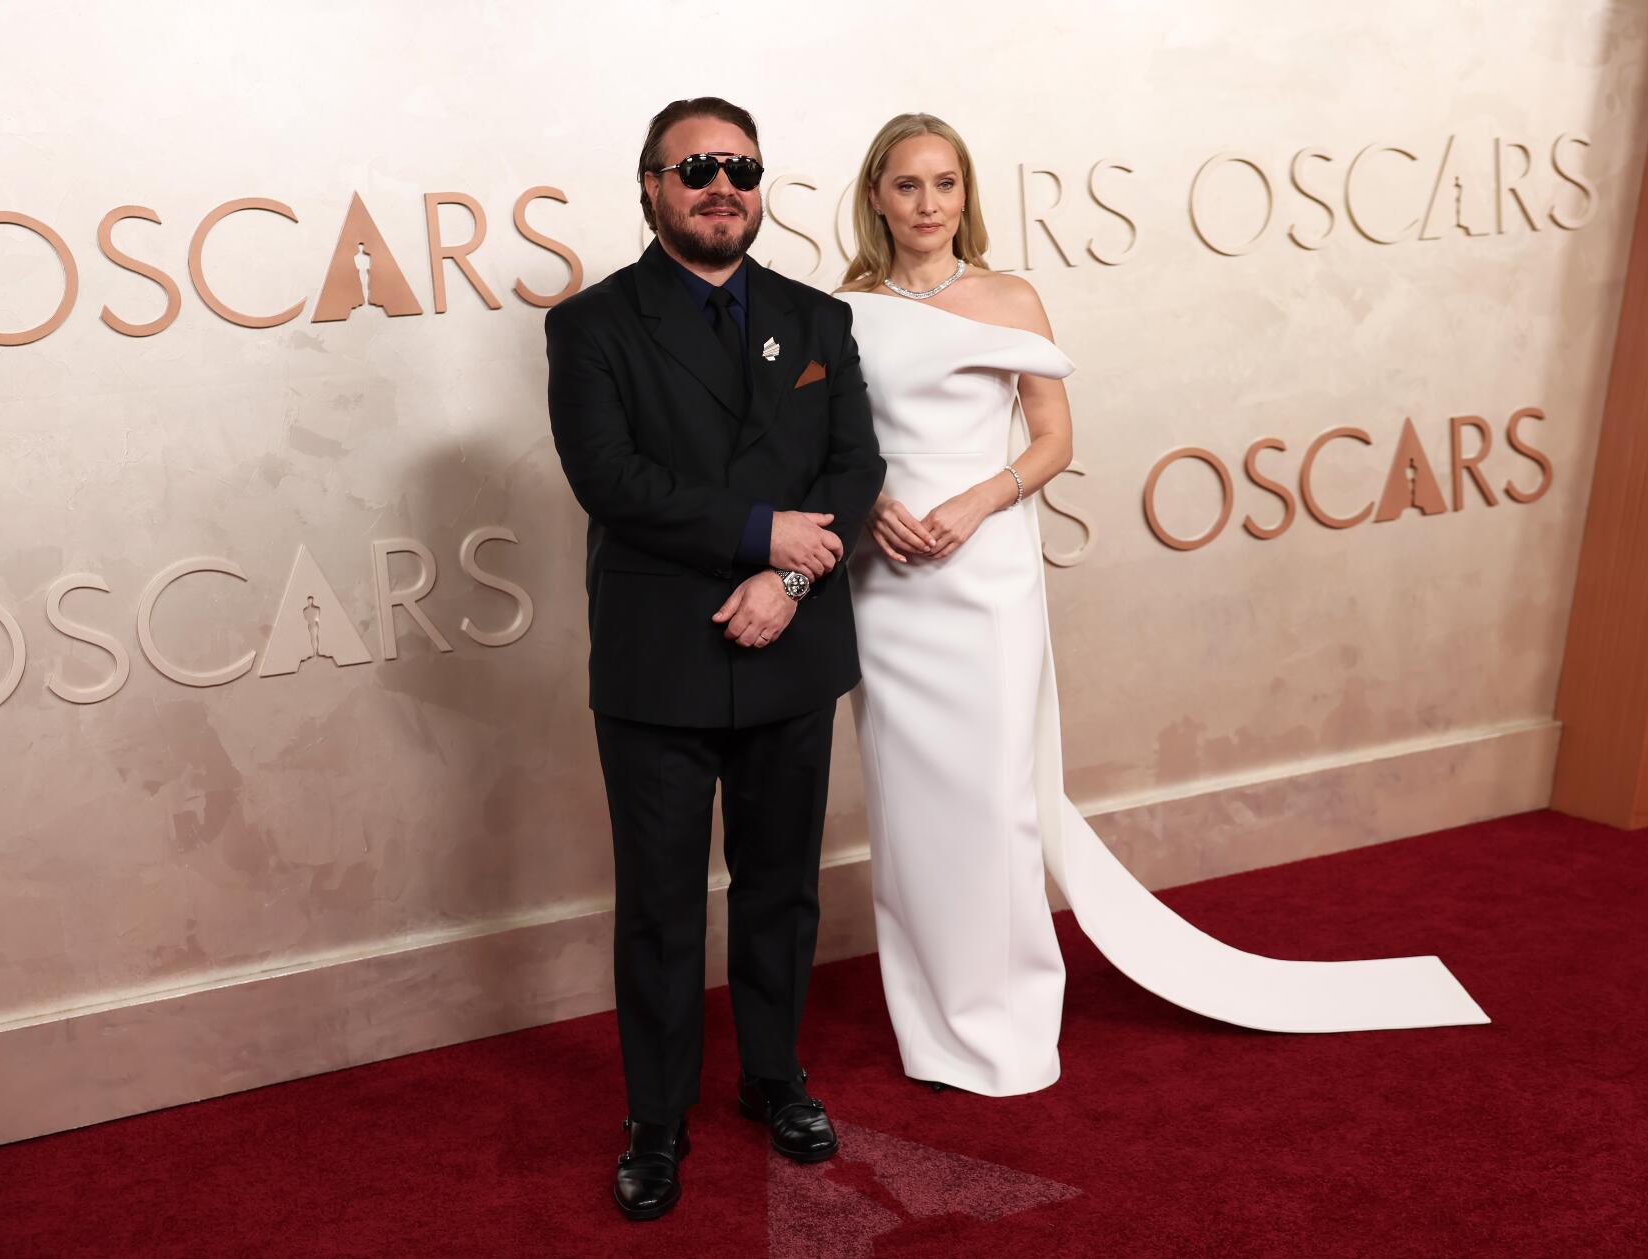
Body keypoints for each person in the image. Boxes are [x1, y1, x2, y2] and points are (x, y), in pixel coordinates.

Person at [836, 114, 1488, 1098]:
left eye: (943, 184)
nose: (927, 205)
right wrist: (873, 505)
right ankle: (929, 1024)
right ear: (874, 196)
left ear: (966, 193)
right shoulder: (839, 310)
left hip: (985, 565)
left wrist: (974, 500)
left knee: (996, 800)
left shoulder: (1012, 296)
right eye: (906, 186)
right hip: (887, 574)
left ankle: (1009, 1024)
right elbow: (825, 442)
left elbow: (1050, 439)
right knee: (911, 805)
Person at [545, 96, 886, 1220]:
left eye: (738, 165)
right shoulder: (590, 326)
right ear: (648, 187)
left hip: (789, 644)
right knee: (658, 904)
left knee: (782, 887)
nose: (719, 183)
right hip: (660, 660)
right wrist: (758, 535)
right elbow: (610, 478)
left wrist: (787, 576)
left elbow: (851, 469)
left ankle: (774, 1076)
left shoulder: (816, 318)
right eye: (693, 166)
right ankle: (656, 1115)